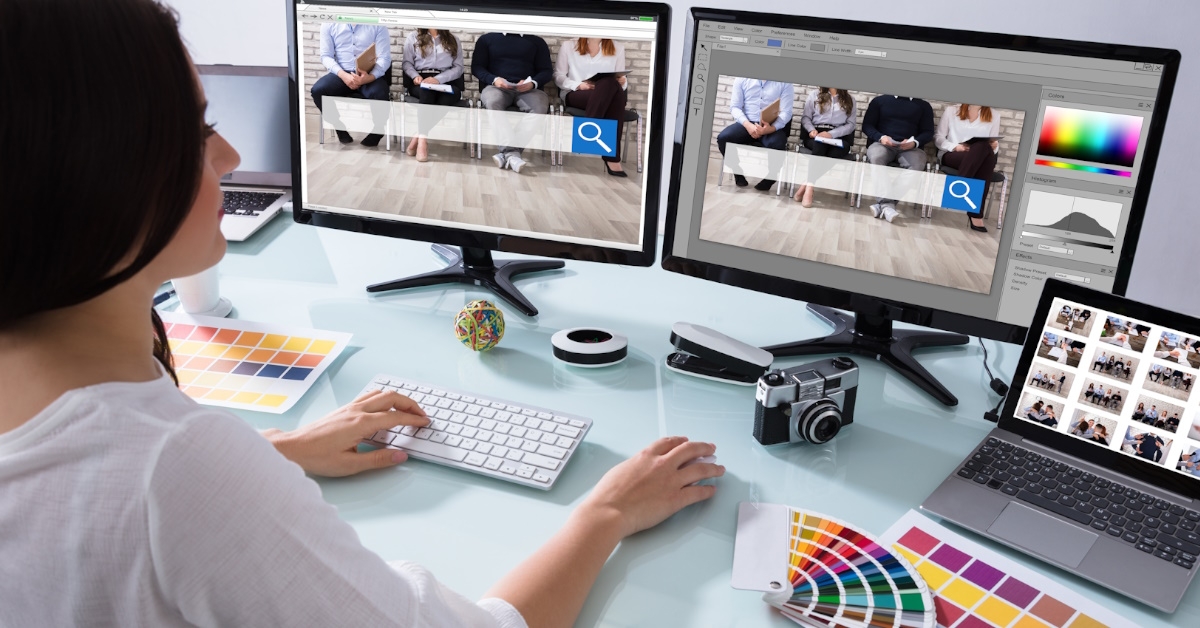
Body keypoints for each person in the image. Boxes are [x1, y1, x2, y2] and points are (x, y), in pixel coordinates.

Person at [0, 2, 726, 625]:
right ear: (93, 173)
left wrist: (272, 453)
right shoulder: (175, 470)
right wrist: (607, 514)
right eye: (195, 130)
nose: (229, 154)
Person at [472, 32, 554, 174]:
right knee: (492, 102)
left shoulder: (537, 41)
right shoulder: (487, 39)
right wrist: (495, 79)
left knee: (540, 106)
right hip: (496, 87)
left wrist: (532, 83)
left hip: (528, 89)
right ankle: (512, 155)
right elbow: (477, 67)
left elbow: (546, 71)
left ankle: (507, 154)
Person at [554, 37, 630, 177]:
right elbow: (558, 76)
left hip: (607, 94)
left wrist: (623, 81)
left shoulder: (618, 47)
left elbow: (621, 82)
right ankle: (612, 159)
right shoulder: (569, 45)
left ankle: (588, 131)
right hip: (577, 93)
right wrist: (578, 85)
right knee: (612, 90)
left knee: (610, 84)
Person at [312, 21, 392, 147]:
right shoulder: (329, 24)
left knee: (380, 93)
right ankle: (338, 126)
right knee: (318, 90)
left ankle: (378, 129)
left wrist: (368, 78)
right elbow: (326, 56)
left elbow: (385, 58)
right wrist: (344, 76)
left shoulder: (378, 25)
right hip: (342, 74)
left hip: (368, 74)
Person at [862, 94, 935, 223]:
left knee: (918, 164)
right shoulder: (880, 101)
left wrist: (915, 142)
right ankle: (888, 206)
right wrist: (881, 137)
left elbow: (928, 132)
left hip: (910, 148)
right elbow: (867, 126)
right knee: (876, 157)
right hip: (882, 144)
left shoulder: (924, 106)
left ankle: (883, 205)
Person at [716, 78, 794, 191]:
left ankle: (772, 176)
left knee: (778, 143)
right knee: (723, 138)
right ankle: (737, 171)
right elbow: (735, 107)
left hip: (770, 125)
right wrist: (748, 125)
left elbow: (787, 112)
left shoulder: (785, 83)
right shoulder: (741, 79)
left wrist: (770, 129)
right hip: (747, 123)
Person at [934, 104, 1001, 232]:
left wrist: (994, 146)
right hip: (953, 154)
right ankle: (976, 215)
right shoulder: (952, 110)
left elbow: (994, 145)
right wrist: (955, 147)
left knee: (983, 147)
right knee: (983, 152)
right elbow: (938, 138)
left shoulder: (994, 115)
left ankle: (958, 187)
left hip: (980, 157)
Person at [402, 28, 464, 162]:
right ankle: (423, 142)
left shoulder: (454, 39)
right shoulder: (413, 37)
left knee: (453, 94)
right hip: (421, 81)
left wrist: (438, 79)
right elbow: (407, 63)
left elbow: (458, 67)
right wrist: (415, 76)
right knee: (427, 91)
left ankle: (419, 135)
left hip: (444, 80)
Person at [793, 87, 857, 206]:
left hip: (837, 135)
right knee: (819, 145)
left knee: (838, 151)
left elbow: (851, 125)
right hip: (816, 133)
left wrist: (831, 134)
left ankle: (807, 184)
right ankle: (809, 190)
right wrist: (811, 130)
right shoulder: (814, 95)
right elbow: (806, 118)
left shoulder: (850, 100)